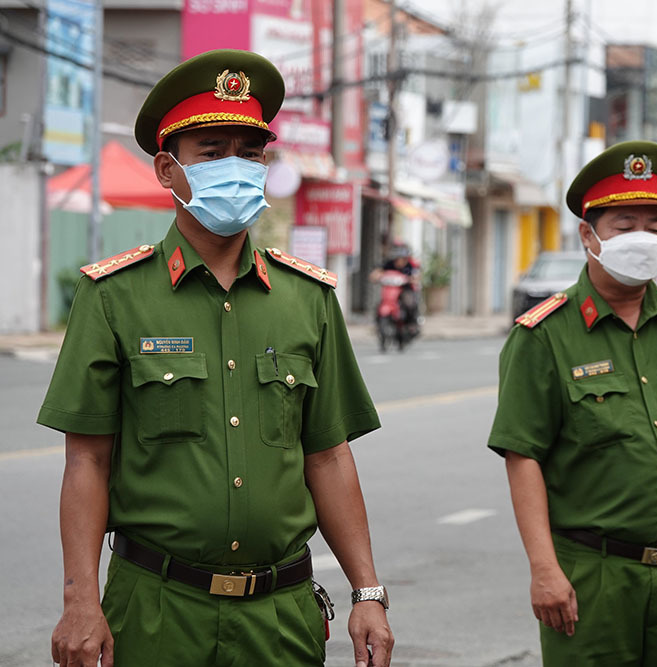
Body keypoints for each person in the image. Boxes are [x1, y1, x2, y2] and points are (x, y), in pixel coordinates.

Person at [38, 49, 393, 667]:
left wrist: (367, 591)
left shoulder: (308, 299)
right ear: (167, 169)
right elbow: (88, 460)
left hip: (280, 616)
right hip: (154, 611)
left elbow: (330, 455)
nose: (236, 167)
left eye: (249, 153)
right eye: (212, 152)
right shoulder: (114, 297)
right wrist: (80, 601)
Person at [487, 140, 657, 667]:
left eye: (654, 226)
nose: (643, 238)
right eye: (625, 225)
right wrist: (544, 569)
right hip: (593, 577)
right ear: (588, 235)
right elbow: (524, 458)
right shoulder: (543, 336)